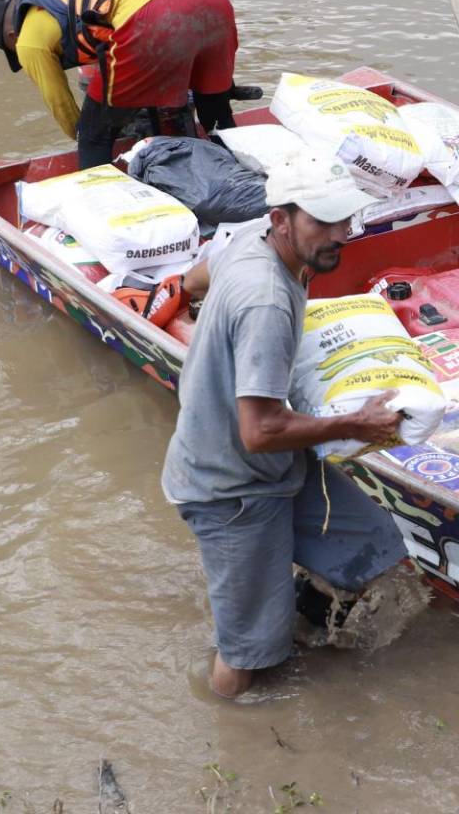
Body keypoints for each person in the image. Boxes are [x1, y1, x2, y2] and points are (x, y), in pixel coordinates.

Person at [161, 152, 410, 699]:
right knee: (248, 655)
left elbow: (196, 277)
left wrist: (185, 300)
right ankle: (233, 743)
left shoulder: (249, 240)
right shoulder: (268, 302)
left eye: (344, 219)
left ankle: (291, 600)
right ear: (281, 219)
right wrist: (358, 425)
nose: (339, 234)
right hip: (232, 489)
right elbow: (260, 430)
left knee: (376, 544)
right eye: (322, 221)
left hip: (273, 467)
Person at [0, 0, 254, 169]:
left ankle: (105, 212)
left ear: (11, 37)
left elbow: (61, 107)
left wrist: (93, 133)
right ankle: (247, 179)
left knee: (91, 136)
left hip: (150, 12)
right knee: (216, 113)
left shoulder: (27, 39)